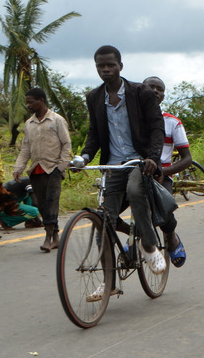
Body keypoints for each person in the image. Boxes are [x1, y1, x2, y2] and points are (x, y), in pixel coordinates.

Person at [76, 45, 166, 276]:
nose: (105, 69)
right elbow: (95, 133)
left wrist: (152, 158)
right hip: (113, 164)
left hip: (138, 161)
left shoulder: (141, 93)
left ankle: (148, 244)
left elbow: (157, 127)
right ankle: (107, 282)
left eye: (110, 65)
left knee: (136, 191)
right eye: (100, 66)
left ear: (120, 67)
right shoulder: (94, 97)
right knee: (103, 219)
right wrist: (84, 157)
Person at [13, 87, 73, 252]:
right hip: (36, 169)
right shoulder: (29, 123)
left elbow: (66, 144)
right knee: (41, 204)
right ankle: (55, 237)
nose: (28, 105)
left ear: (41, 100)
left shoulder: (56, 120)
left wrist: (61, 166)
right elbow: (25, 148)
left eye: (31, 102)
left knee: (52, 201)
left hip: (53, 168)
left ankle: (48, 237)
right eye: (27, 103)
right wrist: (19, 168)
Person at [142, 76, 188, 267]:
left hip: (161, 176)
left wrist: (165, 172)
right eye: (150, 87)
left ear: (163, 95)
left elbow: (187, 158)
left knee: (164, 210)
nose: (154, 91)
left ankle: (170, 236)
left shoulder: (172, 123)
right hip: (135, 172)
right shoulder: (130, 119)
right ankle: (133, 238)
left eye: (159, 89)